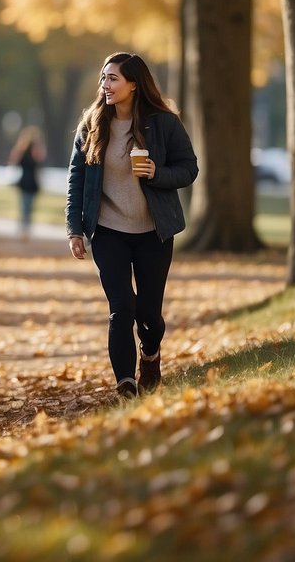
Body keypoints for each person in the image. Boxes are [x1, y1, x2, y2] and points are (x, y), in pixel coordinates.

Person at [65, 51, 198, 400]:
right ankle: (125, 382)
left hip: (154, 232)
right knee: (121, 307)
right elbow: (76, 178)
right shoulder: (92, 123)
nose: (105, 85)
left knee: (149, 314)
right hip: (108, 231)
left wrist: (158, 173)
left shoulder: (164, 123)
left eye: (113, 79)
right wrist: (74, 230)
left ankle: (150, 354)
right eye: (103, 78)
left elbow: (189, 168)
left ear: (134, 84)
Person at [10, 126, 45, 239]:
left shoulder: (35, 152)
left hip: (31, 183)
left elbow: (40, 162)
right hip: (25, 182)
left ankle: (25, 228)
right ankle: (23, 228)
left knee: (28, 207)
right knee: (25, 206)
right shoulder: (22, 152)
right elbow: (14, 161)